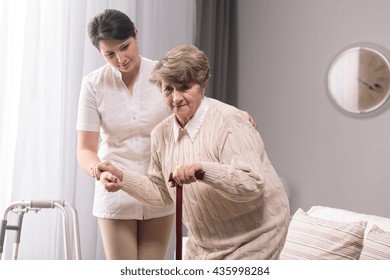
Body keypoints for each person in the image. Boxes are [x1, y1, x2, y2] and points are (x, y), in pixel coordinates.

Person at [76, 9, 256, 260]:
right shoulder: (93, 84)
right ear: (100, 53)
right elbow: (85, 149)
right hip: (116, 190)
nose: (121, 59)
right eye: (110, 54)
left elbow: (192, 100)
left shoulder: (161, 75)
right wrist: (99, 170)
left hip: (161, 186)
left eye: (125, 47)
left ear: (136, 35)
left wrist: (234, 113)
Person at [98, 44, 290, 259]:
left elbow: (251, 183)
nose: (176, 98)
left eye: (184, 88)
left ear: (202, 85)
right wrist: (123, 178)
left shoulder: (229, 121)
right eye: (168, 89)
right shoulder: (160, 134)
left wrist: (202, 170)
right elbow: (162, 192)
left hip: (256, 235)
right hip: (205, 242)